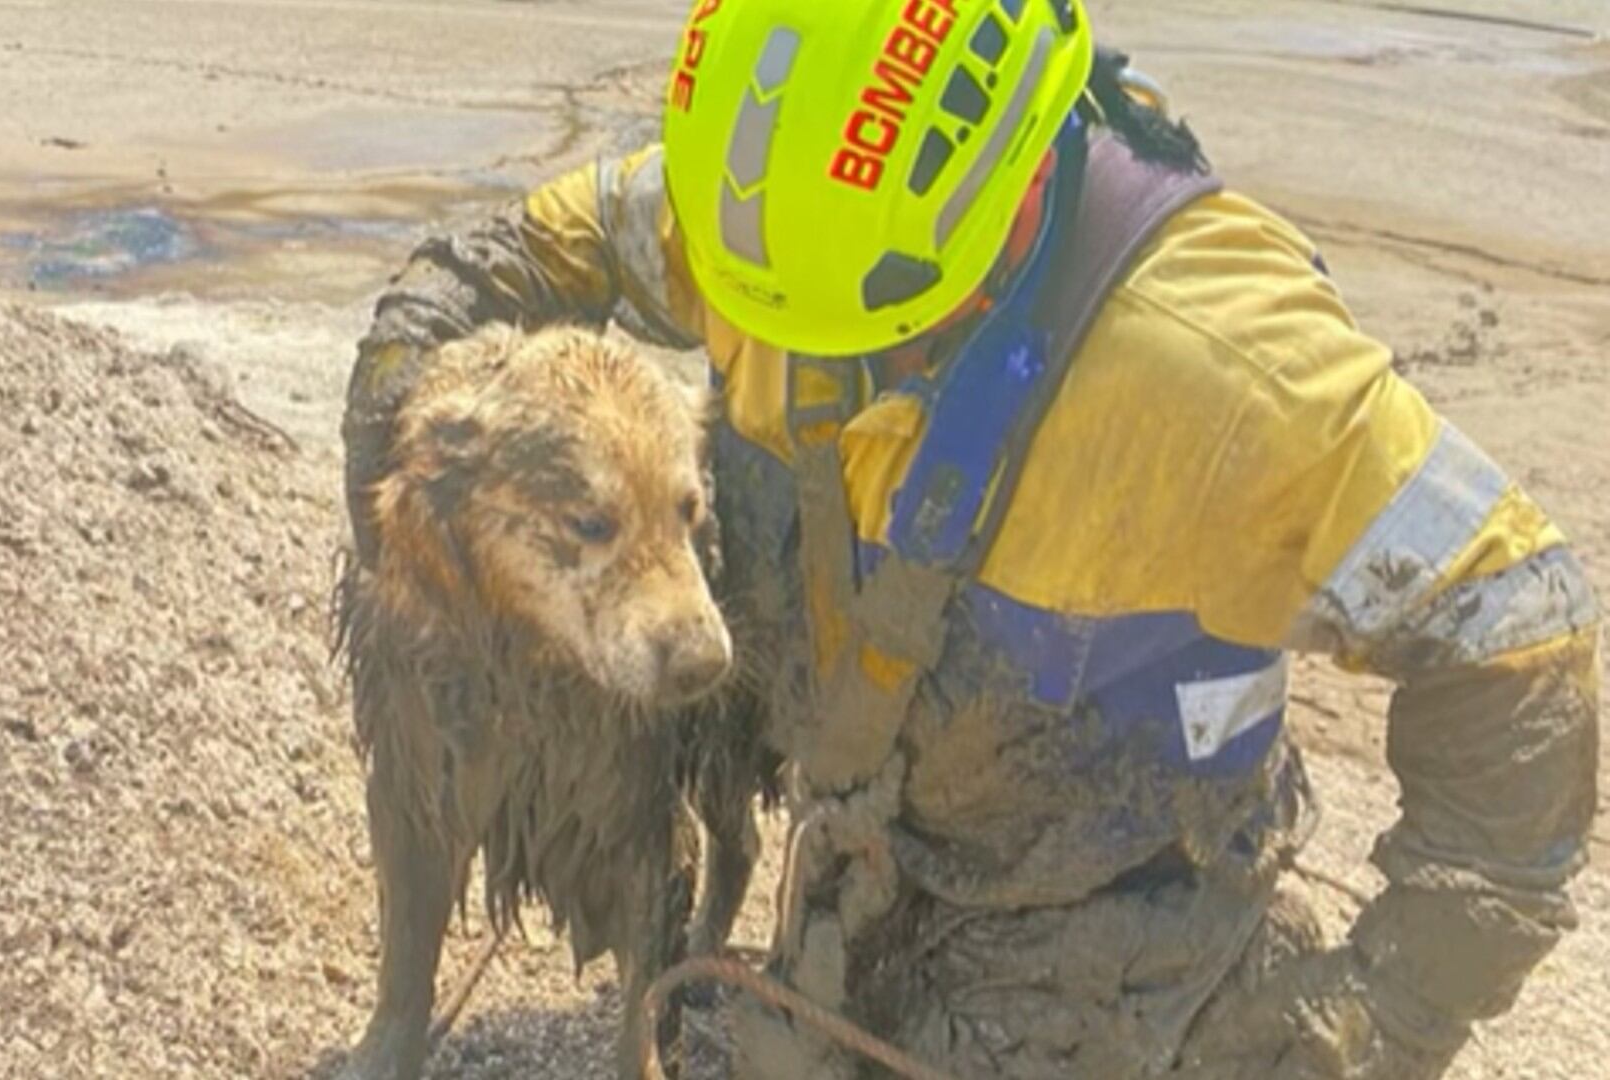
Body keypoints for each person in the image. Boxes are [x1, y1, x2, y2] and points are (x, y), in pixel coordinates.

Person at [339, 1, 1601, 1076]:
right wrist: (391, 417)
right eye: (769, 315)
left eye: (857, 322)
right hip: (871, 858)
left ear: (994, 203)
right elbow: (518, 250)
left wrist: (1373, 1015)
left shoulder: (1228, 368)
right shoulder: (775, 215)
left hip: (1107, 932)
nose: (799, 355)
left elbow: (1522, 623)